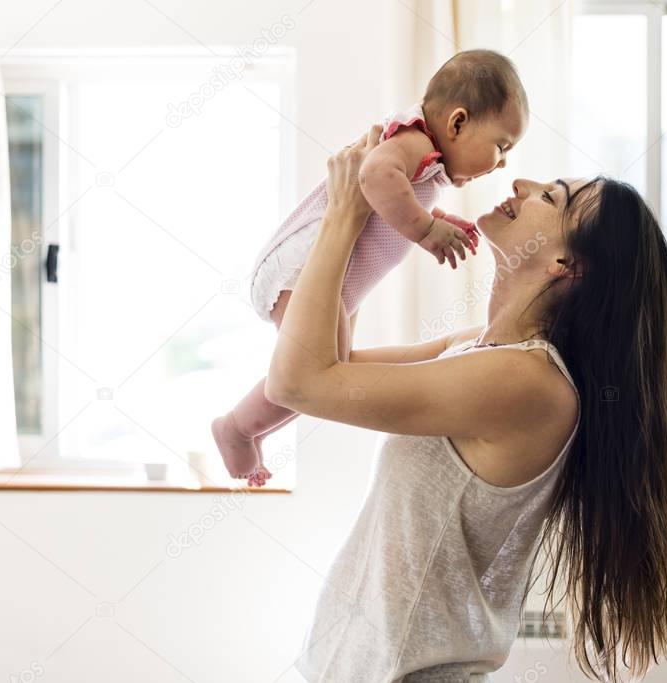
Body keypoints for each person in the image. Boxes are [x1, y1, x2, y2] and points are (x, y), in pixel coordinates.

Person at [267, 126, 667, 681]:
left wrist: (344, 214)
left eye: (551, 197)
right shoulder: (478, 349)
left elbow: (298, 382)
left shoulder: (525, 382)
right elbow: (331, 358)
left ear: (566, 264)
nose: (522, 180)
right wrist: (373, 222)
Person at [212, 50, 528, 486]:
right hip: (304, 265)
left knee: (328, 373)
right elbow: (374, 176)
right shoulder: (415, 140)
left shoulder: (425, 157)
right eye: (502, 145)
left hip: (332, 278)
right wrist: (424, 230)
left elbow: (392, 205)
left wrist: (434, 222)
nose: (503, 162)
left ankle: (248, 428)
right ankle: (236, 428)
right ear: (456, 123)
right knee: (316, 375)